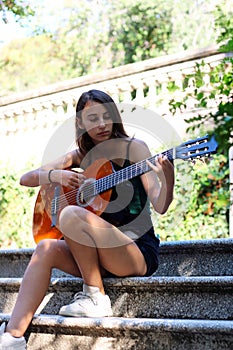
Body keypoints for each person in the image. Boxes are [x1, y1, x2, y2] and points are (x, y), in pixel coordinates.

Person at [0, 89, 174, 349]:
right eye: (93, 118)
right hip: (97, 255)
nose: (102, 124)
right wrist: (56, 176)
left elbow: (161, 205)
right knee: (46, 247)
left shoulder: (135, 149)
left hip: (134, 252)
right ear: (81, 123)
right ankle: (12, 338)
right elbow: (27, 178)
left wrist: (167, 177)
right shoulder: (81, 156)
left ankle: (95, 296)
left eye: (106, 116)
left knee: (70, 213)